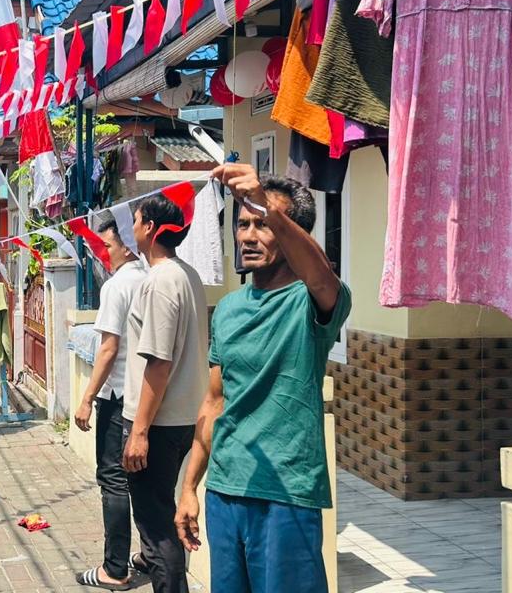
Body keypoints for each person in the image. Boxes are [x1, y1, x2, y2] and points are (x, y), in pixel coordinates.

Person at [176, 167, 350, 593]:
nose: (249, 236)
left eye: (263, 224)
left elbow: (320, 274)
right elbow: (215, 403)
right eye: (243, 223)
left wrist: (264, 202)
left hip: (286, 494)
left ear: (290, 231)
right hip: (225, 490)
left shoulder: (315, 298)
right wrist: (189, 487)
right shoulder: (231, 309)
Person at [121, 194, 208, 593]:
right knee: (163, 520)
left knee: (157, 530)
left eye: (137, 220)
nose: (132, 228)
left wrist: (139, 431)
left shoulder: (160, 280)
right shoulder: (188, 274)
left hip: (158, 422)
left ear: (151, 229)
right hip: (182, 419)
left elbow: (158, 362)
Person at [73, 217, 148, 591]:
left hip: (118, 397)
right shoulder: (153, 277)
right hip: (149, 397)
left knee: (114, 481)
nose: (103, 254)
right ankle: (149, 556)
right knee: (145, 483)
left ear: (127, 244)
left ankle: (115, 569)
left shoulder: (118, 286)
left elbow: (108, 348)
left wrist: (87, 398)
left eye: (107, 246)